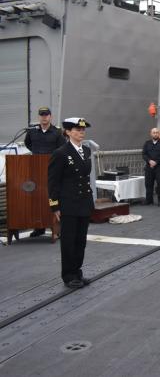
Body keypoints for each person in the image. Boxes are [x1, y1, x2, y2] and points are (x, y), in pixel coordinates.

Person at [48, 117, 95, 288]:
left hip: (83, 202)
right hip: (68, 203)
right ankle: (68, 276)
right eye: (77, 130)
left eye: (82, 130)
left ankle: (77, 272)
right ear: (68, 132)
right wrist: (55, 205)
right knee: (68, 241)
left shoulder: (87, 151)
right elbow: (53, 181)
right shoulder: (60, 153)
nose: (81, 132)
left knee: (80, 241)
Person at [25, 106, 65, 237]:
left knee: (53, 197)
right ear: (39, 117)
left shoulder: (57, 132)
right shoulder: (32, 132)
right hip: (36, 170)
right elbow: (28, 144)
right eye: (42, 115)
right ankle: (39, 227)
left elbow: (62, 148)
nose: (44, 117)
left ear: (50, 116)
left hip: (52, 170)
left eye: (46, 115)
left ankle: (57, 228)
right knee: (38, 198)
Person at [142, 128, 160, 206]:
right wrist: (149, 161)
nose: (155, 134)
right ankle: (149, 200)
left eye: (157, 132)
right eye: (154, 132)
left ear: (159, 134)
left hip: (159, 168)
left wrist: (156, 162)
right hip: (149, 167)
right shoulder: (147, 143)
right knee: (148, 184)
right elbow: (144, 154)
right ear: (151, 134)